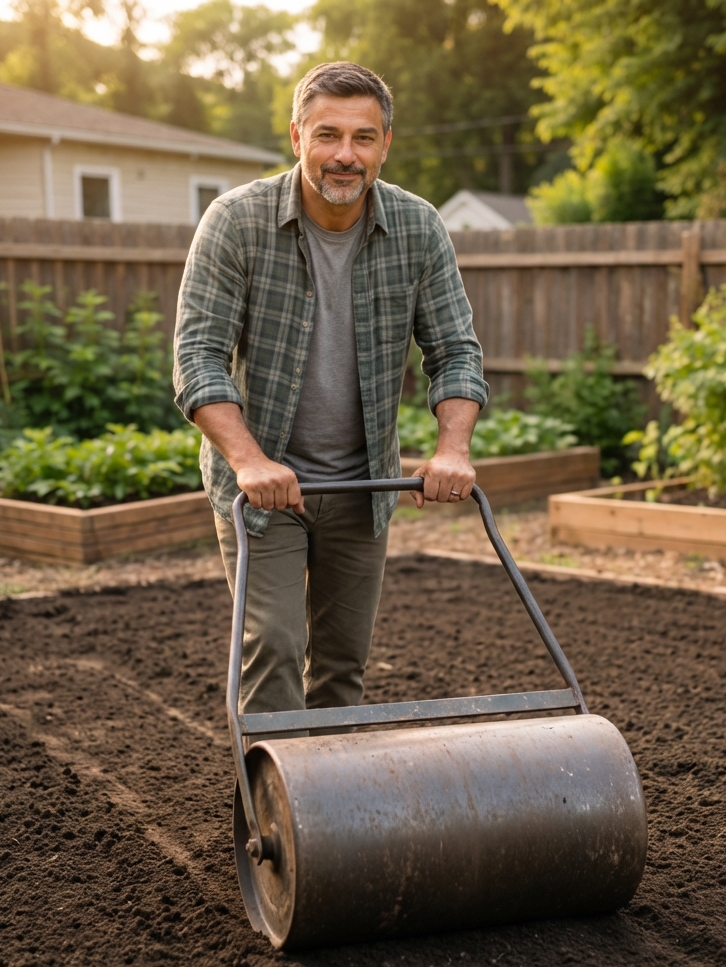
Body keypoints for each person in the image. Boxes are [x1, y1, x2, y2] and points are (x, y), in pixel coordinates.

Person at [173, 61, 489, 719]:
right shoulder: (237, 222)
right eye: (327, 135)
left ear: (384, 145)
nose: (345, 155)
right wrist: (250, 461)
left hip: (361, 487)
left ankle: (334, 818)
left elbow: (455, 351)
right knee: (274, 648)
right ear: (296, 138)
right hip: (265, 487)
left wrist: (452, 446)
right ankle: (275, 822)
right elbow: (198, 360)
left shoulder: (417, 226)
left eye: (363, 137)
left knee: (343, 669)